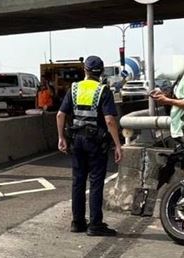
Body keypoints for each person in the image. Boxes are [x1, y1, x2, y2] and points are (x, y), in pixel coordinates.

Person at [57, 55, 123, 237]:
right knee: (95, 182)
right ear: (101, 72)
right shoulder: (103, 91)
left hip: (76, 140)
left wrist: (61, 137)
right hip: (96, 142)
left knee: (78, 181)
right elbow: (109, 120)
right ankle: (95, 224)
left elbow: (60, 115)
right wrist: (118, 145)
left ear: (84, 70)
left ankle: (77, 222)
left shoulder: (74, 88)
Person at [150, 56, 184, 177]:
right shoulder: (182, 75)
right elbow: (180, 97)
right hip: (180, 130)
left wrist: (167, 101)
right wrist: (164, 96)